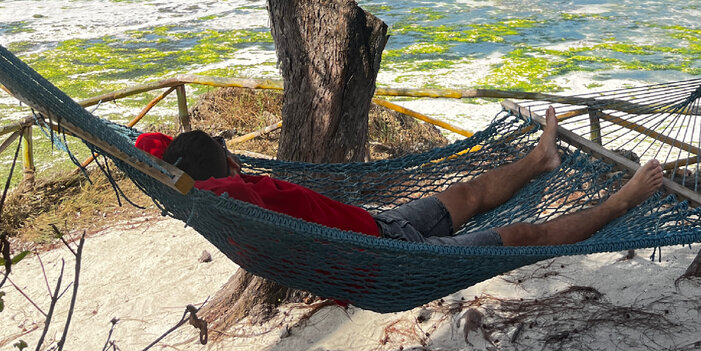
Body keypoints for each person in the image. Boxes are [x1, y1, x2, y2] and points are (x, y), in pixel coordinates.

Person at [135, 107, 664, 248]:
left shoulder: (221, 196)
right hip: (386, 259)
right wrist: (213, 175)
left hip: (380, 228)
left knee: (469, 192)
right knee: (524, 234)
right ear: (224, 169)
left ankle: (540, 159)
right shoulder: (237, 195)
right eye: (228, 153)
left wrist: (178, 171)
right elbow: (217, 183)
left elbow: (145, 148)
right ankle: (622, 201)